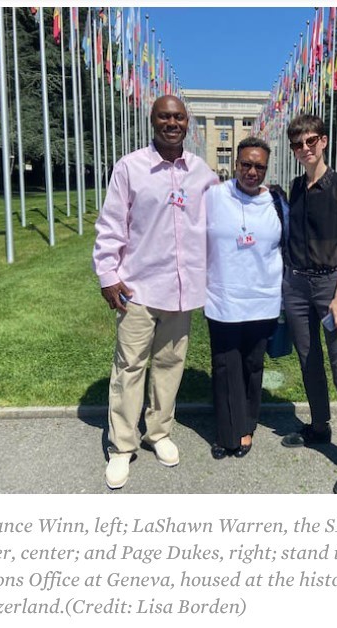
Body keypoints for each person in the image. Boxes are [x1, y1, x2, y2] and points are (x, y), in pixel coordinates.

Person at [92, 95, 219, 490]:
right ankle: (121, 447)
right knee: (129, 367)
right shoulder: (131, 168)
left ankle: (159, 432)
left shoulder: (203, 174)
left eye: (178, 117)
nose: (172, 122)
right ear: (153, 120)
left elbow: (219, 225)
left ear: (187, 123)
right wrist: (107, 275)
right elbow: (112, 224)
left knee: (169, 366)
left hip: (183, 291)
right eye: (165, 116)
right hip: (138, 288)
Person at [280, 114, 337, 495]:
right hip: (297, 287)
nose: (305, 149)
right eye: (298, 144)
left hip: (333, 286)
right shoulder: (296, 186)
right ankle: (319, 427)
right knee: (308, 361)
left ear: (324, 141)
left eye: (311, 141)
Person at [204, 137, 286, 459]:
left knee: (253, 367)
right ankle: (227, 435)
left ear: (267, 168)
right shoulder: (213, 196)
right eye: (246, 164)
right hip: (223, 298)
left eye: (259, 166)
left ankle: (247, 427)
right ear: (236, 164)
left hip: (263, 299)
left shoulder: (278, 201)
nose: (252, 171)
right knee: (225, 367)